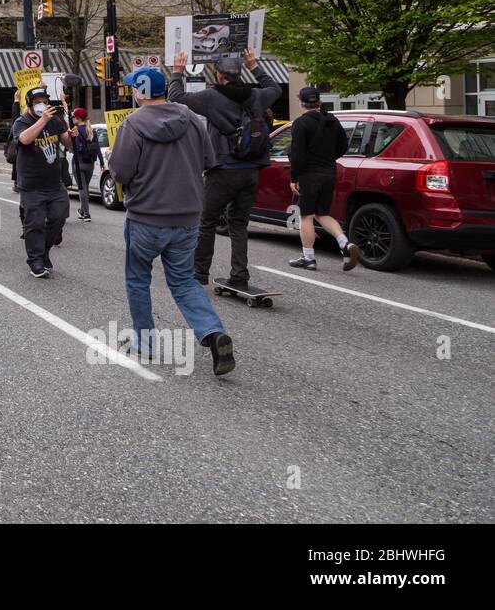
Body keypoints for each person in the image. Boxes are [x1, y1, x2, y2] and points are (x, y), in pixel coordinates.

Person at [107, 66, 236, 376]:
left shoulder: (133, 125)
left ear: (139, 91)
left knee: (138, 280)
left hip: (146, 218)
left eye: (132, 89)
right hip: (187, 217)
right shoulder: (192, 119)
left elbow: (120, 174)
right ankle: (212, 332)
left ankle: (147, 343)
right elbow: (207, 162)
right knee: (183, 281)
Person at [168, 48, 281, 289]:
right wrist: (255, 67)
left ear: (219, 76)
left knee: (207, 221)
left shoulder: (211, 97)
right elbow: (276, 88)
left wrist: (177, 71)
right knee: (239, 223)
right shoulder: (257, 96)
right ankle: (240, 274)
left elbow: (176, 96)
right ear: (239, 73)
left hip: (223, 168)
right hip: (252, 168)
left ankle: (200, 273)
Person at [288, 86, 361, 271]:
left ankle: (308, 258)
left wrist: (294, 177)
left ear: (301, 102)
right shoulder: (332, 120)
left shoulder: (300, 123)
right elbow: (343, 145)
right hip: (329, 172)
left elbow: (296, 154)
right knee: (322, 213)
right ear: (319, 102)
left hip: (309, 174)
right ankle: (345, 243)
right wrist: (329, 159)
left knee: (306, 215)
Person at [9, 85, 74, 278]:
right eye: (38, 102)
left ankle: (44, 250)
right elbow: (24, 139)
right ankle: (35, 261)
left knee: (59, 217)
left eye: (45, 102)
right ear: (29, 105)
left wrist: (72, 136)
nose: (42, 105)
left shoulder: (54, 120)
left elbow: (67, 144)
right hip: (32, 184)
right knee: (35, 224)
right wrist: (42, 120)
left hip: (54, 182)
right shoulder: (22, 121)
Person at [68, 108, 100, 222]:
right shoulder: (91, 130)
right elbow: (97, 148)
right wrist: (101, 162)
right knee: (85, 188)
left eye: (73, 117)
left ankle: (86, 214)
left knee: (82, 189)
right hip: (90, 164)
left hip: (78, 163)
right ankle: (82, 211)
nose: (72, 119)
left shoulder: (75, 130)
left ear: (78, 118)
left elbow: (74, 148)